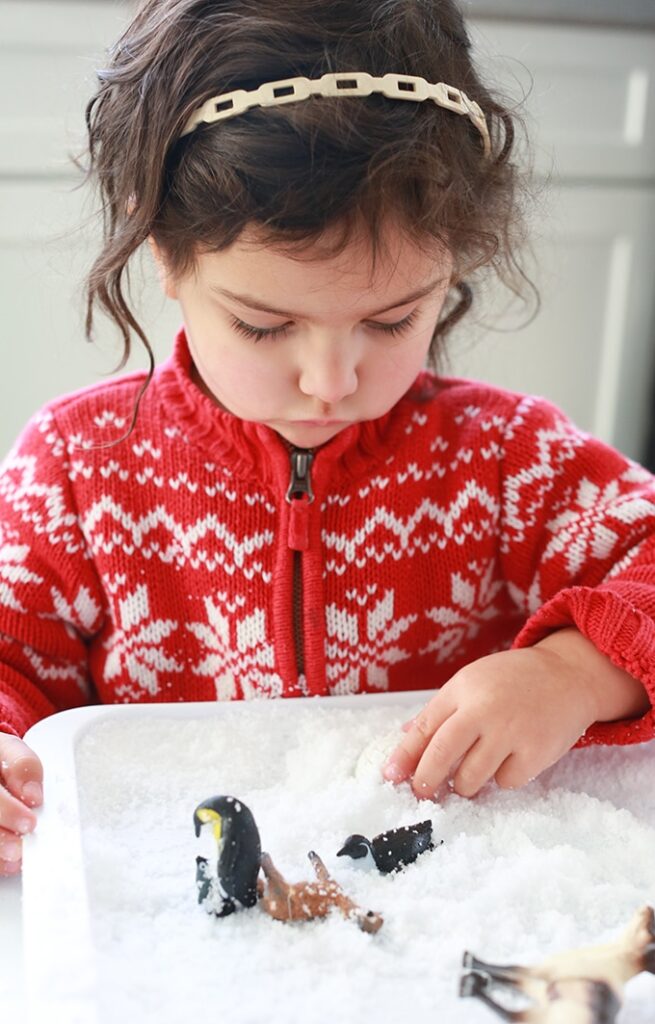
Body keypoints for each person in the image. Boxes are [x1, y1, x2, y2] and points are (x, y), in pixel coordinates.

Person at [1, 0, 654, 879]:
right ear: (164, 251)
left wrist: (574, 673)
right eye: (265, 326)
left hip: (441, 901)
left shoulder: (507, 458)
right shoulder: (75, 468)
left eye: (390, 321)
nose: (329, 380)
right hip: (170, 910)